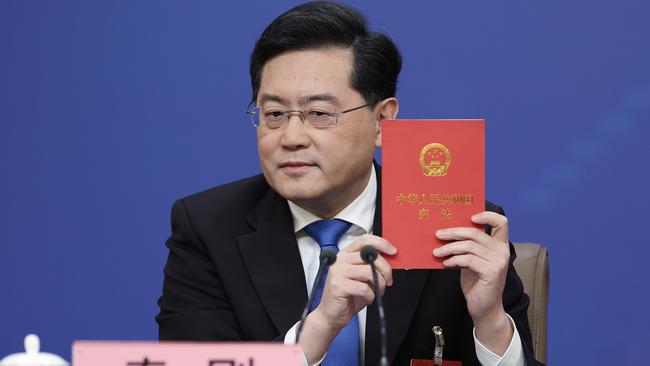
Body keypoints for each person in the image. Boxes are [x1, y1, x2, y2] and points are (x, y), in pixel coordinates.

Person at [156, 2, 542, 365]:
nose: (291, 137)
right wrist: (318, 329)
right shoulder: (208, 227)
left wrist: (490, 320)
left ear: (383, 122)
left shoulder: (457, 223)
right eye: (274, 113)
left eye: (319, 113)